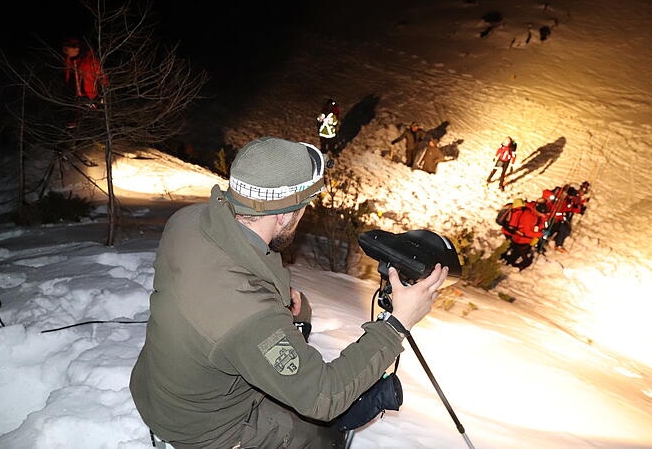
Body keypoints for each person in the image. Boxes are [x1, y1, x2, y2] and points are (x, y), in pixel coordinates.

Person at [130, 137, 449, 448]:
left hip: (158, 389)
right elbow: (323, 397)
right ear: (283, 214)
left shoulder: (189, 220)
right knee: (322, 432)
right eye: (302, 209)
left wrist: (274, 298)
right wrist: (397, 324)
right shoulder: (247, 314)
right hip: (205, 430)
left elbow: (232, 284)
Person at [61, 37, 106, 128]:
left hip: (91, 100)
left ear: (77, 48)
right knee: (74, 128)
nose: (65, 51)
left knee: (92, 126)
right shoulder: (69, 62)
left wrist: (101, 98)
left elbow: (103, 80)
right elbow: (68, 82)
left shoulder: (90, 61)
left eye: (67, 49)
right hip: (75, 102)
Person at [499, 199, 550, 270]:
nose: (544, 216)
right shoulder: (528, 216)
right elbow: (528, 232)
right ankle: (512, 266)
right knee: (523, 257)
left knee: (516, 253)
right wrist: (541, 234)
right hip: (520, 238)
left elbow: (535, 226)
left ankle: (507, 261)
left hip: (523, 238)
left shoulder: (534, 215)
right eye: (543, 214)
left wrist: (542, 228)